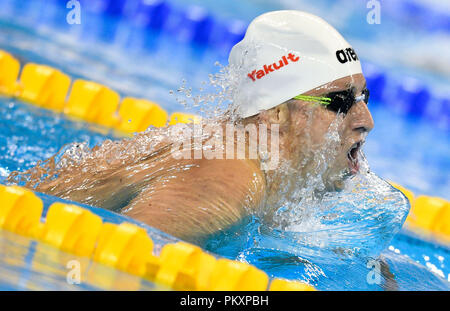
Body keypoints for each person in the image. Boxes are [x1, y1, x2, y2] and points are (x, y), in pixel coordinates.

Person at [28, 10, 374, 242]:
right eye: (340, 102)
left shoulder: (254, 162)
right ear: (276, 114)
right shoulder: (228, 180)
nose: (365, 121)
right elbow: (118, 258)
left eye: (364, 98)